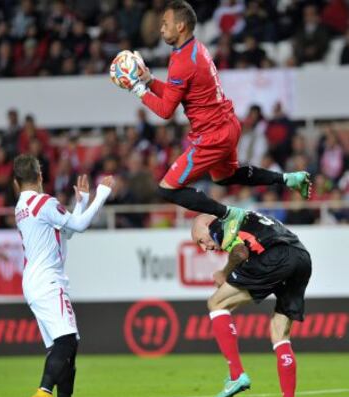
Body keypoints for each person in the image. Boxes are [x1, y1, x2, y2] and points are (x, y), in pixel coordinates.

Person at [112, 0, 311, 244]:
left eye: (165, 23)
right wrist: (151, 80)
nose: (161, 28)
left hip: (212, 135)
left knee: (167, 188)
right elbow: (178, 94)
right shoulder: (195, 49)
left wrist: (138, 90)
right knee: (225, 177)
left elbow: (165, 111)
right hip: (227, 125)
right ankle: (288, 179)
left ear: (181, 26)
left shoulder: (183, 61)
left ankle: (229, 214)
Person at [13, 154, 113, 397]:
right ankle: (44, 393)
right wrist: (102, 193)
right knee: (67, 341)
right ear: (41, 176)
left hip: (34, 281)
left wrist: (80, 202)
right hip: (48, 280)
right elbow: (78, 227)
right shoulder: (44, 202)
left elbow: (65, 231)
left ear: (15, 182)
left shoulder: (23, 206)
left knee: (66, 343)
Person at [191, 208, 312, 397]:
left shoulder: (217, 225)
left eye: (201, 240)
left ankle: (236, 374)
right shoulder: (247, 217)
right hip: (301, 258)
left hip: (275, 257)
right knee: (279, 334)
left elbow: (240, 252)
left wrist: (224, 272)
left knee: (215, 302)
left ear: (205, 227)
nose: (205, 247)